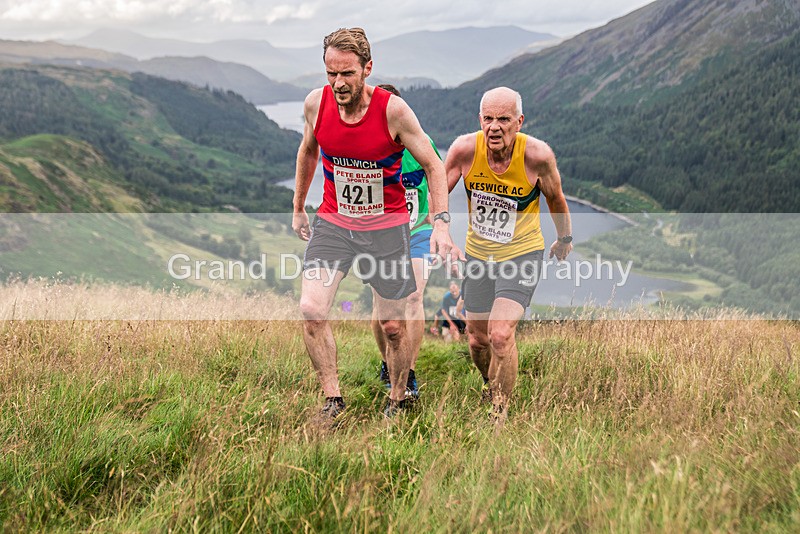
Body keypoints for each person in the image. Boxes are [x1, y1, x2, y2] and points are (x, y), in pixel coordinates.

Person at [292, 28, 461, 423]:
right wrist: (298, 206)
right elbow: (308, 151)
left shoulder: (393, 112)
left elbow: (434, 165)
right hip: (334, 223)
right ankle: (333, 401)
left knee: (393, 326)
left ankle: (399, 399)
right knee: (311, 310)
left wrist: (440, 223)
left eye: (347, 73)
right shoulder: (316, 104)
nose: (338, 83)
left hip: (386, 229)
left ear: (367, 68)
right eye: (331, 73)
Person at [444, 86, 573, 422]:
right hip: (479, 256)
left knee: (501, 335)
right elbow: (437, 193)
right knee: (477, 340)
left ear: (519, 122)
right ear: (480, 120)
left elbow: (556, 198)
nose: (494, 127)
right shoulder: (464, 150)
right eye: (488, 119)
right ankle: (491, 383)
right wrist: (441, 232)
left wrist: (564, 238)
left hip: (522, 254)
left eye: (503, 119)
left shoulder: (537, 156)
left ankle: (499, 412)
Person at [370, 83, 441, 401]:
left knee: (413, 296)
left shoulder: (421, 142)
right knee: (383, 306)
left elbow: (436, 177)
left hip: (417, 232)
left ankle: (408, 372)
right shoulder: (366, 148)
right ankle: (388, 363)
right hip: (379, 236)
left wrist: (438, 221)